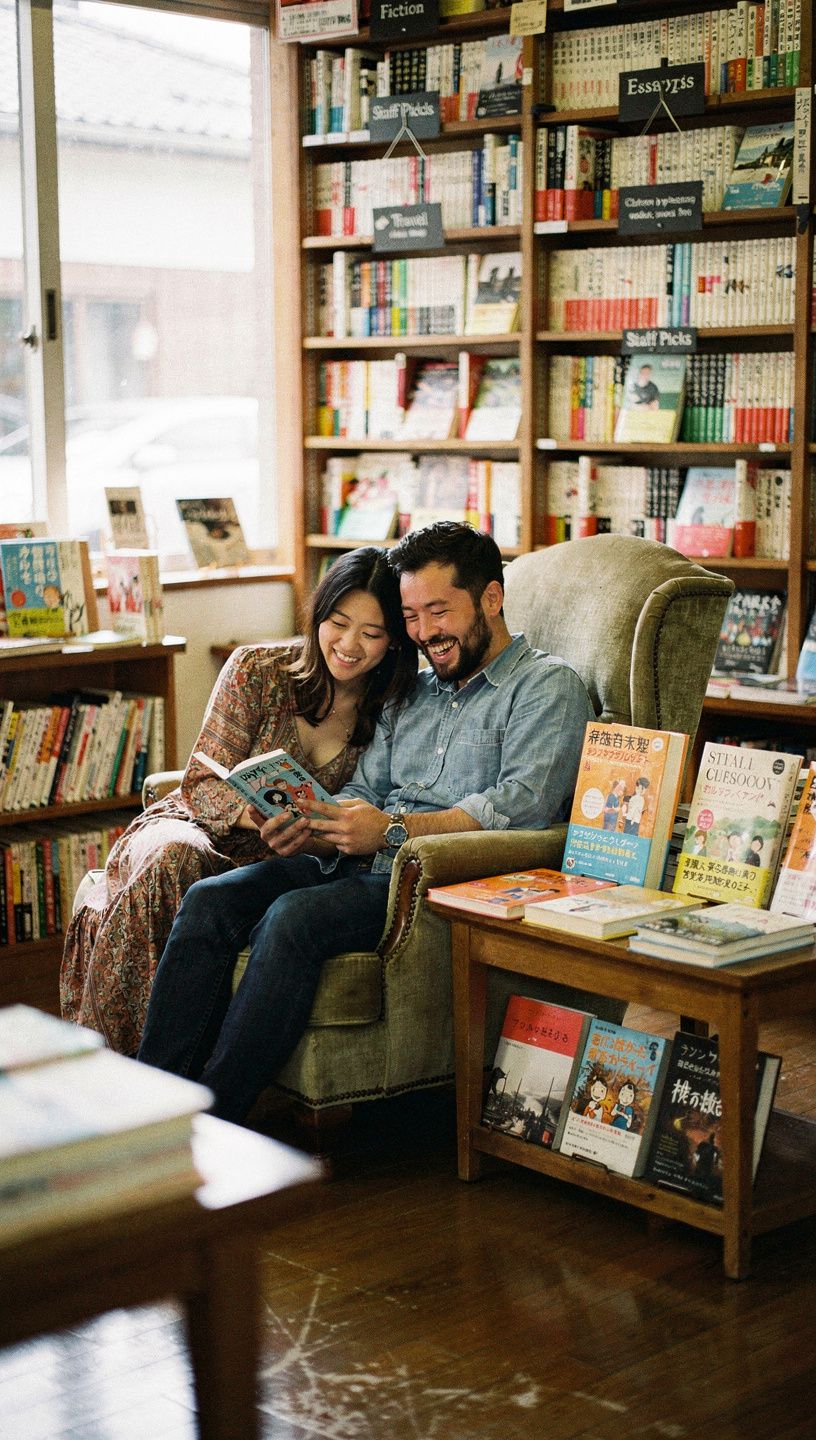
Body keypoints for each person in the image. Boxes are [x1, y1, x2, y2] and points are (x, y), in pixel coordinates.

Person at [137, 521, 595, 1124]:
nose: (425, 633)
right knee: (209, 900)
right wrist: (313, 820)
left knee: (291, 918)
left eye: (439, 611)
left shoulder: (546, 686)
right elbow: (366, 785)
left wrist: (391, 831)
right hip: (351, 858)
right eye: (411, 616)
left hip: (429, 877)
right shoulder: (416, 690)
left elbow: (522, 808)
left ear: (490, 597)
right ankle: (151, 1106)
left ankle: (214, 1119)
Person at [60, 547, 417, 1055]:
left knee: (236, 891)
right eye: (337, 623)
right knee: (174, 859)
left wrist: (312, 838)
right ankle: (116, 1069)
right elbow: (200, 782)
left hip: (292, 855)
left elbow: (364, 815)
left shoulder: (394, 709)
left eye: (372, 633)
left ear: (394, 642)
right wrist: (252, 812)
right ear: (318, 616)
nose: (349, 644)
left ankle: (177, 1085)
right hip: (198, 824)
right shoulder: (257, 670)